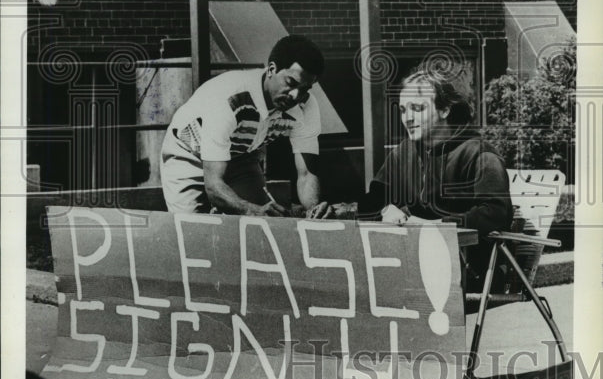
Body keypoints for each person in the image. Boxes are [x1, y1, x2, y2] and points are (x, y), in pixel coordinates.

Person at [340, 64, 513, 289]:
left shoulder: (478, 153)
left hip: (470, 270)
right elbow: (373, 199)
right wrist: (382, 210)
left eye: (417, 108)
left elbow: (496, 212)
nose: (407, 118)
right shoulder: (404, 152)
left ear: (444, 110)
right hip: (413, 265)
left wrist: (435, 227)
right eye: (403, 110)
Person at [160, 34, 333, 219]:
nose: (295, 95)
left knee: (265, 226)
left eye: (305, 89)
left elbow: (306, 173)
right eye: (291, 83)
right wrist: (251, 210)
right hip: (189, 153)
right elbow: (213, 185)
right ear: (271, 69)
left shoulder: (306, 106)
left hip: (241, 156)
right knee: (193, 231)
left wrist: (314, 209)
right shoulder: (231, 98)